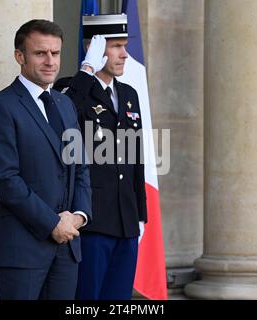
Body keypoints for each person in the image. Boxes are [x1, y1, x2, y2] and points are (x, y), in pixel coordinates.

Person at [0, 19, 92, 300]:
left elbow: (80, 169)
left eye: (55, 53)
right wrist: (52, 223)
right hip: (22, 252)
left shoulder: (66, 105)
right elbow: (6, 180)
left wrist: (78, 216)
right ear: (20, 56)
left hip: (67, 250)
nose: (50, 61)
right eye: (41, 53)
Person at [54, 14, 147, 300]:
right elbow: (62, 120)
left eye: (125, 44)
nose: (124, 54)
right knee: (87, 298)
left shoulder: (129, 94)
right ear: (95, 49)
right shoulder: (70, 89)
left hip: (125, 219)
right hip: (92, 219)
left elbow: (135, 157)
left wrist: (140, 214)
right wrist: (87, 69)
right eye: (115, 46)